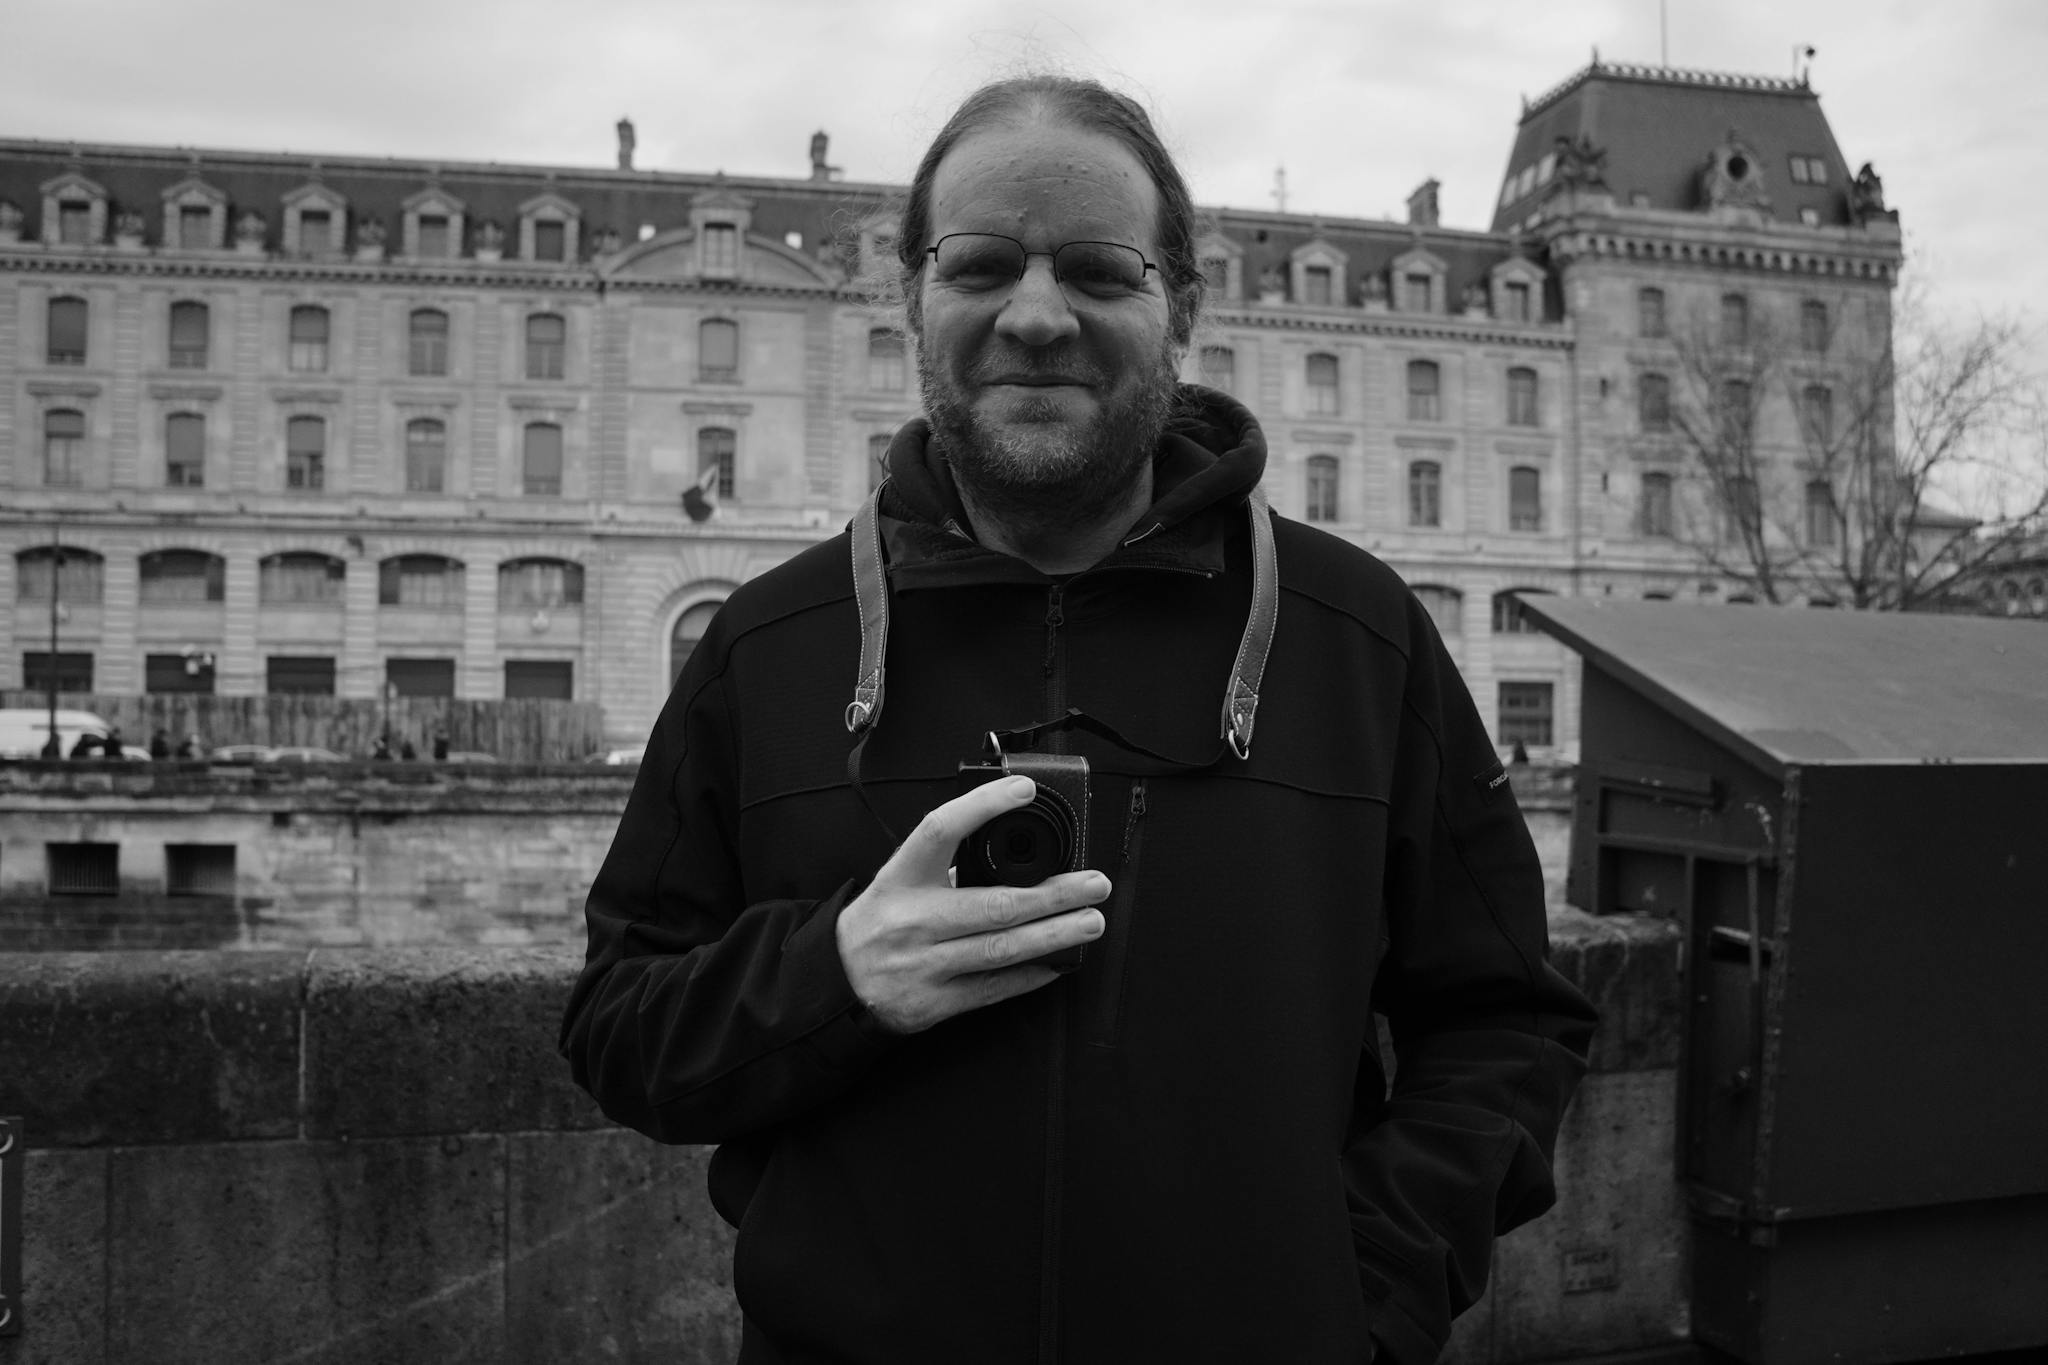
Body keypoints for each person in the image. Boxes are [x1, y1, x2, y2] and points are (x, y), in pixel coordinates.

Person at [561, 75, 1597, 1365]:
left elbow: (1506, 1020)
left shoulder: (1358, 633)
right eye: (982, 264)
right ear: (913, 302)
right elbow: (618, 1025)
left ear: (1181, 307)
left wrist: (1364, 1298)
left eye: (1101, 271)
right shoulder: (770, 643)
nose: (1036, 315)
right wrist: (835, 978)